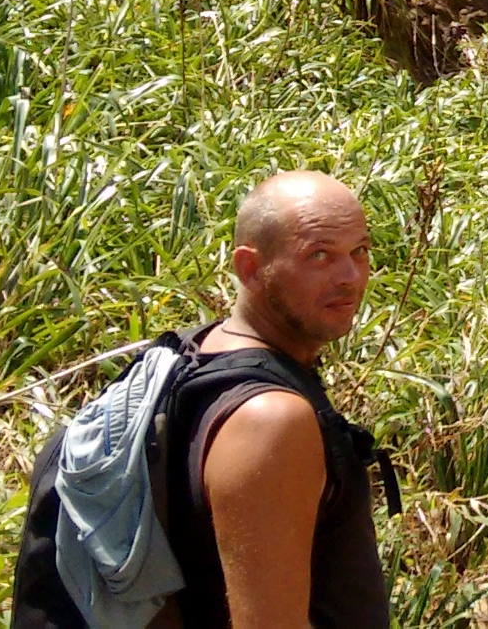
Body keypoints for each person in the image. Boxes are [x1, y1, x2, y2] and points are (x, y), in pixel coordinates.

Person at [159, 171, 396, 629]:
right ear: (250, 268)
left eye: (360, 251)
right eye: (319, 255)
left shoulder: (197, 354)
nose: (350, 277)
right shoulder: (269, 419)